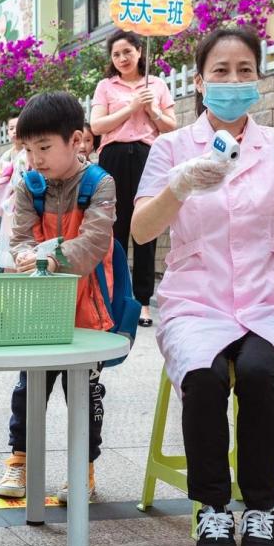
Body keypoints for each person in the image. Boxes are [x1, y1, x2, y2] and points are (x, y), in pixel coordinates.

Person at [131, 27, 274, 546]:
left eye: (244, 71)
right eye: (221, 71)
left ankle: (261, 510)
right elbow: (142, 230)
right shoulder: (170, 148)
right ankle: (212, 506)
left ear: (257, 79)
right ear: (199, 81)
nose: (233, 81)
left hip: (265, 299)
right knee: (205, 377)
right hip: (196, 298)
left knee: (261, 373)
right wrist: (180, 185)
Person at [0, 92, 115, 502]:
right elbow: (20, 236)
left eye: (44, 148)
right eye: (28, 149)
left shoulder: (100, 183)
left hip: (89, 308)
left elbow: (95, 241)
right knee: (29, 387)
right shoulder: (31, 186)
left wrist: (45, 257)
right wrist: (25, 253)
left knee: (85, 393)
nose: (35, 159)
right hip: (41, 311)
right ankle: (19, 461)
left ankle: (83, 468)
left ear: (77, 140)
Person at [90, 30, 177, 327]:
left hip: (146, 157)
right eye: (116, 54)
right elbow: (96, 124)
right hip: (112, 157)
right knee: (114, 228)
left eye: (127, 52)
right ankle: (111, 297)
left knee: (145, 228)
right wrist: (130, 108)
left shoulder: (157, 85)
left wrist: (152, 110)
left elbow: (170, 128)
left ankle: (142, 302)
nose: (122, 59)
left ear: (140, 51)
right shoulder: (105, 86)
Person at [0, 115, 26, 271]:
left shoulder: (28, 153)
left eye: (18, 127)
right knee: (8, 247)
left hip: (22, 204)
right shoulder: (5, 156)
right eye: (11, 128)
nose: (15, 131)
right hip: (8, 207)